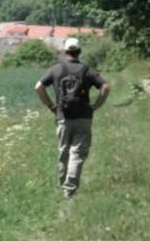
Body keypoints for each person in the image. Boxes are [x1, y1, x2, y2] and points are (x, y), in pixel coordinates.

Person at [34, 37, 110, 199]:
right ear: (79, 52)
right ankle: (69, 190)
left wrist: (51, 106)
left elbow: (38, 87)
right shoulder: (87, 70)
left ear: (65, 51)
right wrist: (97, 105)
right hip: (84, 117)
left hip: (62, 116)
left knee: (64, 151)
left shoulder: (56, 69)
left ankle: (64, 186)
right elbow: (106, 86)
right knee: (77, 154)